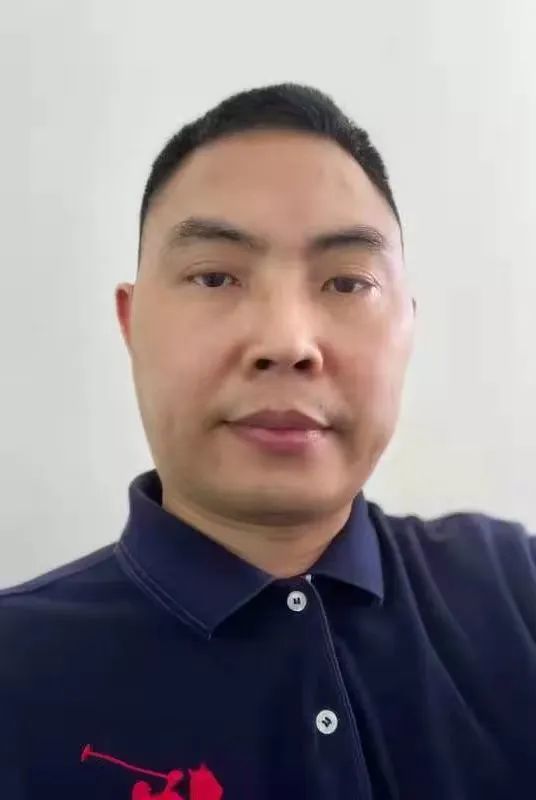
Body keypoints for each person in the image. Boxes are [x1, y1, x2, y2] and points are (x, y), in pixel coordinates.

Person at [1, 83, 534, 800]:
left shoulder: (514, 590)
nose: (287, 343)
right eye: (215, 276)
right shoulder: (17, 671)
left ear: (408, 326)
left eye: (346, 283)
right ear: (132, 324)